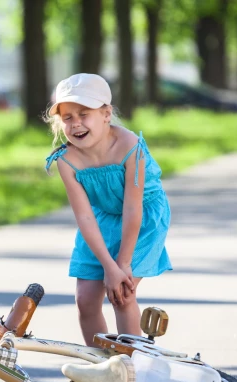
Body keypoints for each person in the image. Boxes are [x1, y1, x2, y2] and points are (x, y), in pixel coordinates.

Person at [44, 73, 172, 346]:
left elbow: (132, 209)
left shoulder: (129, 146)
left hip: (142, 217)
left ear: (105, 114)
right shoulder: (67, 160)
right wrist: (107, 265)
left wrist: (121, 265)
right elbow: (85, 217)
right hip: (101, 219)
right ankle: (99, 369)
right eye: (67, 118)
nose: (76, 123)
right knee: (85, 300)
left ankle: (130, 368)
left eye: (84, 113)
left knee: (122, 293)